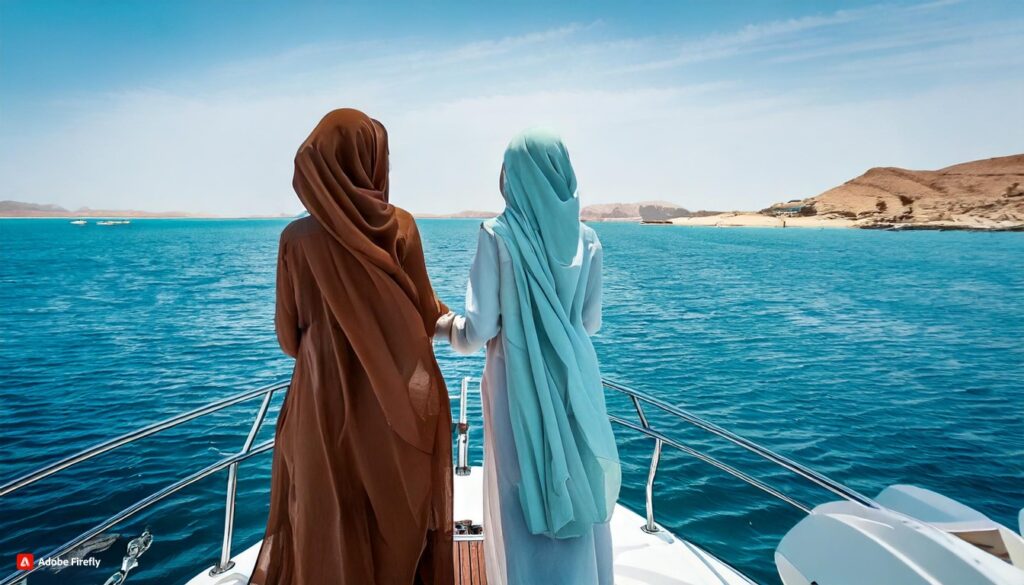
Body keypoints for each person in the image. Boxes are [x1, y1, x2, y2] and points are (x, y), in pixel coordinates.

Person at [250, 109, 453, 585]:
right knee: (392, 528)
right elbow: (426, 313)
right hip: (392, 409)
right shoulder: (399, 228)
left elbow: (287, 340)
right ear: (371, 160)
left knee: (323, 522)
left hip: (318, 410)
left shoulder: (294, 241)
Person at [436, 129, 621, 585]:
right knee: (578, 478)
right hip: (577, 378)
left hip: (515, 382)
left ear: (513, 175)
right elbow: (590, 323)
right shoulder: (589, 239)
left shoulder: (498, 235)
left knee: (523, 493)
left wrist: (440, 325)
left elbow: (478, 331)